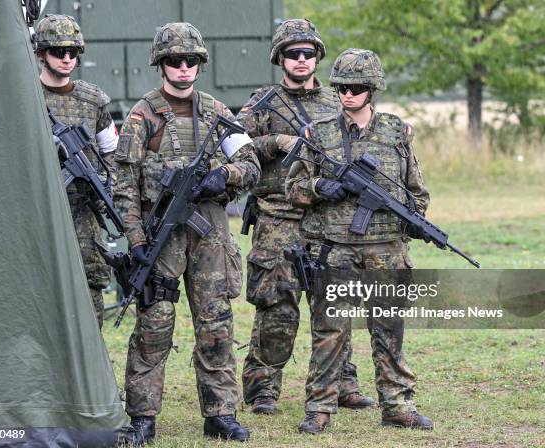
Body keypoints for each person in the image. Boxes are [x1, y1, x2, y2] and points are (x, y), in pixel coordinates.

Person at [113, 22, 260, 445]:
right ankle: (142, 416)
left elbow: (250, 164)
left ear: (200, 64)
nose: (183, 68)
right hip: (160, 236)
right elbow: (124, 184)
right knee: (154, 327)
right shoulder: (143, 114)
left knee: (216, 325)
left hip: (210, 234)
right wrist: (137, 240)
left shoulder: (218, 112)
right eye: (175, 61)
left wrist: (223, 176)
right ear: (161, 64)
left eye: (190, 60)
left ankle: (220, 413)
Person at [286, 48, 434, 433]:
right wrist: (322, 186)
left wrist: (412, 218)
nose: (347, 94)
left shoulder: (396, 132)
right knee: (329, 331)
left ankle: (398, 405)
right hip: (334, 249)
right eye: (341, 87)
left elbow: (417, 191)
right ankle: (319, 408)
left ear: (372, 90)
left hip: (386, 251)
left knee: (389, 329)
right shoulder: (318, 134)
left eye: (356, 87)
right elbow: (293, 189)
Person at [236, 18, 373, 417]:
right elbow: (235, 145)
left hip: (328, 218)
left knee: (335, 305)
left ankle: (343, 383)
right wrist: (276, 142)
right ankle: (263, 389)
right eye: (293, 53)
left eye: (308, 53)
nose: (300, 60)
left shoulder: (337, 100)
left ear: (317, 57)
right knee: (276, 306)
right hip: (278, 217)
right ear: (280, 58)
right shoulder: (264, 102)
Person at [34, 14, 118, 329]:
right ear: (41, 54)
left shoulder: (93, 99)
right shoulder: (27, 96)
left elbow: (112, 153)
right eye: (58, 52)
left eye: (73, 52)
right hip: (40, 210)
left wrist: (104, 189)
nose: (67, 58)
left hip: (84, 210)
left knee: (91, 286)